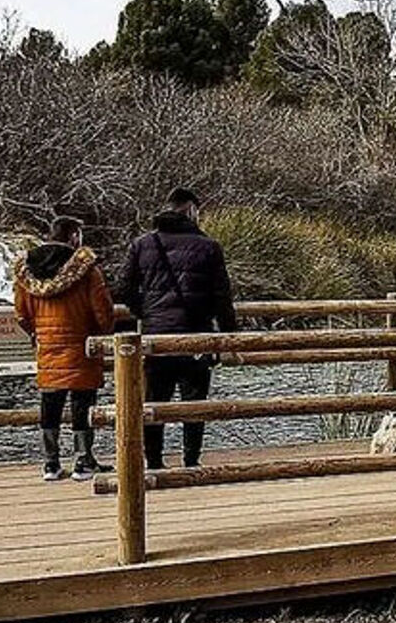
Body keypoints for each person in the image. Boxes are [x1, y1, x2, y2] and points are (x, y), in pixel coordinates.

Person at [116, 186, 239, 470]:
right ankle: (191, 460)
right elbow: (223, 298)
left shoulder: (142, 244)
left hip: (156, 336)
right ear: (192, 210)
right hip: (197, 334)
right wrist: (230, 337)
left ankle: (154, 461)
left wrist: (145, 312)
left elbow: (123, 288)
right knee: (194, 402)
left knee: (154, 401)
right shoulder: (209, 247)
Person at [13, 216, 115, 482]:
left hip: (48, 346)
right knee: (83, 404)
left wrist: (36, 333)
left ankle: (51, 463)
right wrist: (102, 335)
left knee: (50, 404)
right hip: (81, 344)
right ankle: (83, 461)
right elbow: (102, 312)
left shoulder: (27, 272)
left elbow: (21, 315)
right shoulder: (88, 270)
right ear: (73, 236)